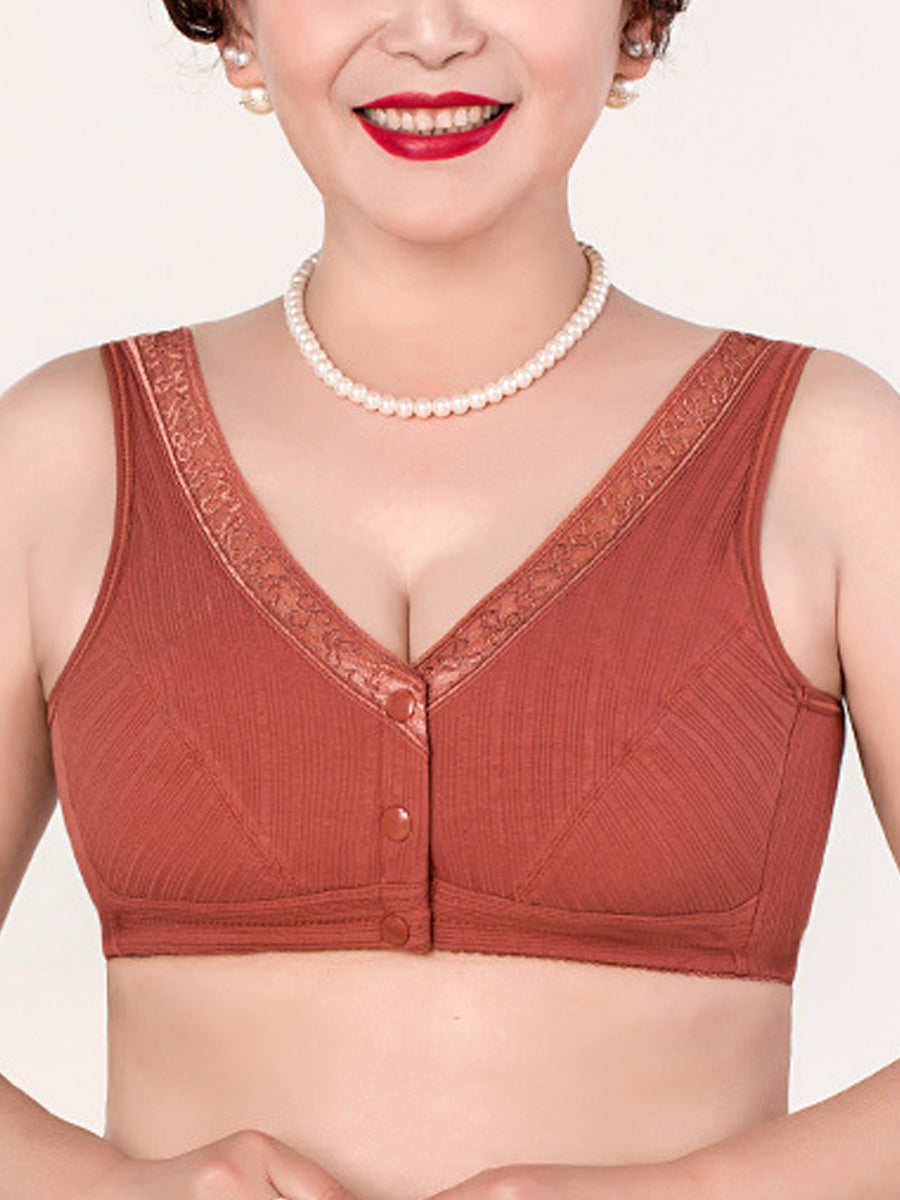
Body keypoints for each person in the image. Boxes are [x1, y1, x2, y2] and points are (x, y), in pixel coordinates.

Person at [2, 2, 900, 1199]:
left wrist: (674, 1197)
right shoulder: (65, 459)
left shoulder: (829, 458)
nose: (430, 33)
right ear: (237, 26)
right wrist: (122, 1193)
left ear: (636, 20)